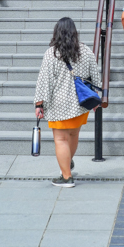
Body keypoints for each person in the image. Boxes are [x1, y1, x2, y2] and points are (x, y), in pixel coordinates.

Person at [34, 16, 101, 188]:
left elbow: (44, 81)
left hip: (58, 104)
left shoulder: (52, 53)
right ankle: (67, 162)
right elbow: (95, 75)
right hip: (80, 103)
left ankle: (66, 177)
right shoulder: (85, 51)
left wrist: (39, 103)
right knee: (73, 135)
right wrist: (97, 97)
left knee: (60, 139)